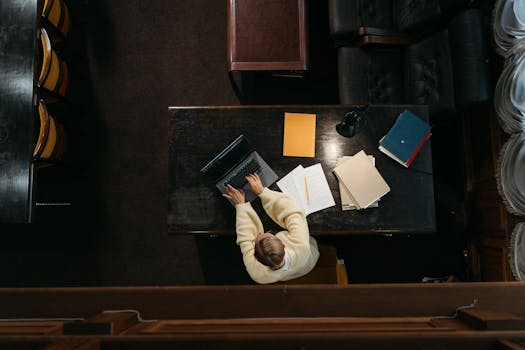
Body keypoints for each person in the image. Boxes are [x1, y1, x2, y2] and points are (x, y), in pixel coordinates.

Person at [223, 173, 320, 284]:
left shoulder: (258, 275)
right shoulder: (301, 246)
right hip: (305, 265)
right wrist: (263, 192)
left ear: (255, 257)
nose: (259, 234)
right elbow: (293, 214)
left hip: (292, 270)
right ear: (283, 244)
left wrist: (241, 206)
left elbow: (245, 239)